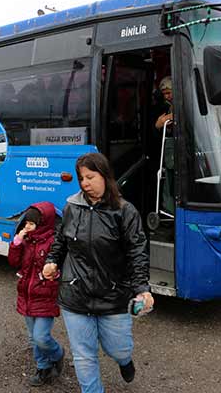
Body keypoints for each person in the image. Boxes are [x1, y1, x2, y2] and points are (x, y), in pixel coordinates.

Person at [42, 152, 153, 393]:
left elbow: (137, 252)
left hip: (113, 296)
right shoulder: (72, 206)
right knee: (83, 356)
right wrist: (51, 261)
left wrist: (142, 289)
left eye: (90, 177)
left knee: (118, 348)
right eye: (81, 178)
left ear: (105, 176)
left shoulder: (125, 211)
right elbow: (60, 242)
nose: (85, 184)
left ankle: (124, 360)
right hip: (75, 295)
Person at [8, 203, 64, 387]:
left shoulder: (54, 243)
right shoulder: (26, 241)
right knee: (34, 338)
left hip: (45, 296)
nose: (27, 227)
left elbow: (59, 268)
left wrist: (53, 273)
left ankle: (57, 353)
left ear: (43, 224)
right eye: (26, 223)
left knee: (41, 337)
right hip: (27, 295)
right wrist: (17, 241)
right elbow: (14, 262)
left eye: (32, 224)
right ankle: (43, 368)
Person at [154, 76, 175, 215]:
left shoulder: (179, 103)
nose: (167, 96)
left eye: (169, 92)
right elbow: (158, 125)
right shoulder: (166, 107)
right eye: (165, 94)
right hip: (170, 152)